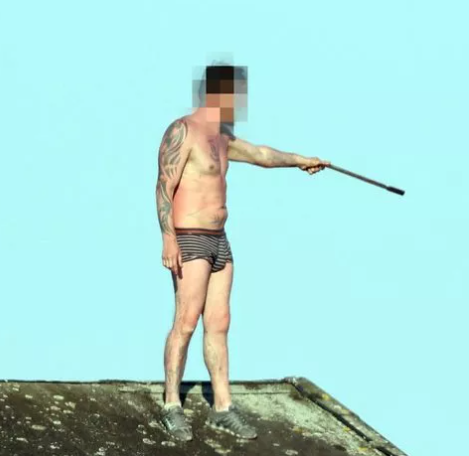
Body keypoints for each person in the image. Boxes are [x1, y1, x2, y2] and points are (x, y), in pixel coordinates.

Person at [156, 64, 329, 441]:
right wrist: (168, 238)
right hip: (190, 238)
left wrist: (301, 160)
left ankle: (223, 408)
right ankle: (171, 405)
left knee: (219, 323)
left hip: (220, 240)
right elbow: (164, 186)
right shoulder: (183, 131)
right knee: (186, 321)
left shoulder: (222, 137)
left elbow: (262, 154)